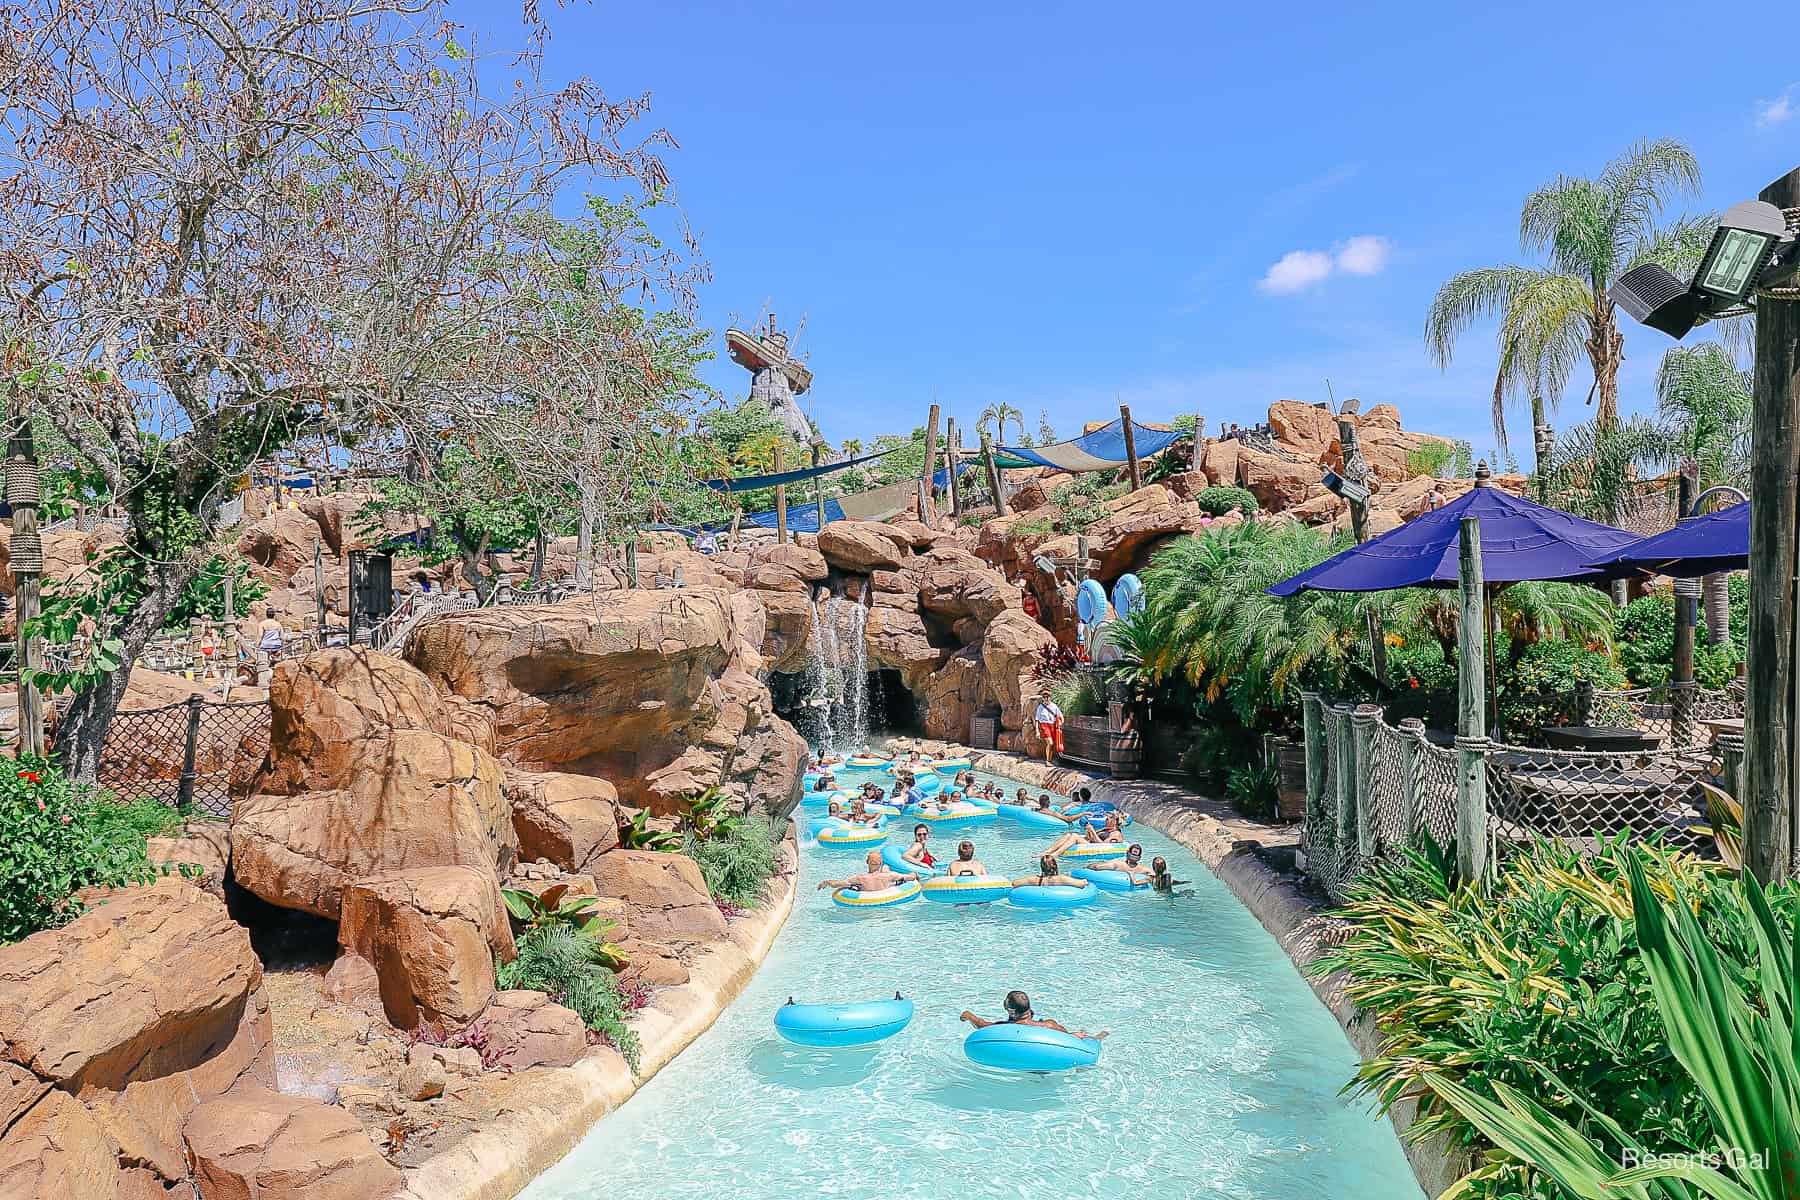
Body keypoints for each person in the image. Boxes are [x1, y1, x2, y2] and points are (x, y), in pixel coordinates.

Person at [959, 990, 1107, 1040]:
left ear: (1011, 1011)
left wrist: (967, 1015)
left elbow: (981, 1025)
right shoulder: (1049, 1025)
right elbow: (1067, 1036)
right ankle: (1098, 1036)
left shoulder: (1004, 1026)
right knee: (1078, 1034)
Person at [817, 851, 917, 894]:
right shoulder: (890, 875)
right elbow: (911, 877)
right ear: (881, 863)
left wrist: (826, 882)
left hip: (866, 904)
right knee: (887, 871)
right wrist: (914, 874)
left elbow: (836, 884)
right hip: (885, 903)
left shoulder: (860, 878)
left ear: (867, 862)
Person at [1012, 853, 1084, 889]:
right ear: (1055, 865)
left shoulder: (1034, 880)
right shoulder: (1062, 879)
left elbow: (1014, 883)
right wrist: (1085, 881)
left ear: (1041, 866)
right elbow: (1081, 884)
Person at [1033, 695, 1064, 764]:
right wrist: (1037, 731)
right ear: (1043, 698)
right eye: (1044, 697)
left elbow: (1061, 716)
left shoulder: (1054, 706)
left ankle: (1051, 759)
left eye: (1048, 697)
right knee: (1050, 743)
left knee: (1053, 744)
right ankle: (1048, 761)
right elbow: (1037, 720)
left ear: (1050, 697)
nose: (1046, 699)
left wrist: (1060, 723)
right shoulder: (1040, 707)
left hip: (1053, 725)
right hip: (1044, 725)